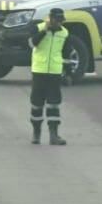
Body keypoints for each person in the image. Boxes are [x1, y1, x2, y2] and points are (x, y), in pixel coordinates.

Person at [29, 8, 69, 145]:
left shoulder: (64, 33)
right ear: (50, 19)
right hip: (39, 70)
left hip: (55, 72)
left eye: (60, 21)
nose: (59, 23)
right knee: (36, 103)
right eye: (56, 21)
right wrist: (44, 31)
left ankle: (54, 135)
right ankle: (36, 133)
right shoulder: (38, 28)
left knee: (54, 103)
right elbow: (32, 43)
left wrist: (67, 73)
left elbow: (66, 52)